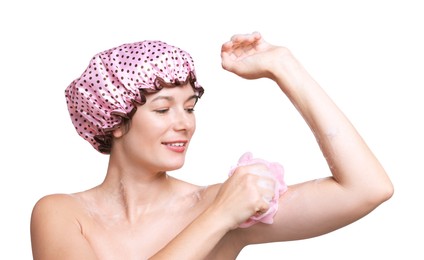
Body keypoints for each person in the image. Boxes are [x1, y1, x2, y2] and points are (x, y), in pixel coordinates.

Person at [30, 32, 394, 260]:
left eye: (189, 108)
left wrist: (285, 68)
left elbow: (367, 188)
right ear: (116, 120)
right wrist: (219, 217)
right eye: (162, 108)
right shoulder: (62, 214)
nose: (184, 122)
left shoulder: (222, 203)